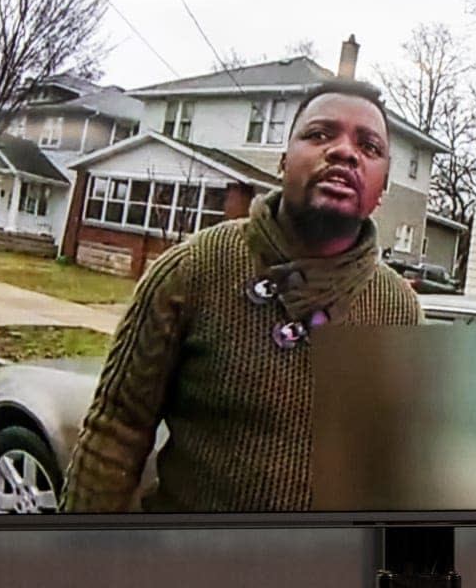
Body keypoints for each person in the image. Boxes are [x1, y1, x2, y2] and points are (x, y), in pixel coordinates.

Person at [59, 80, 424, 513]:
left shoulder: (399, 310)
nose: (344, 152)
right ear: (284, 161)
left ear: (382, 189)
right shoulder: (193, 269)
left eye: (369, 147)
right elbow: (114, 434)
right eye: (320, 134)